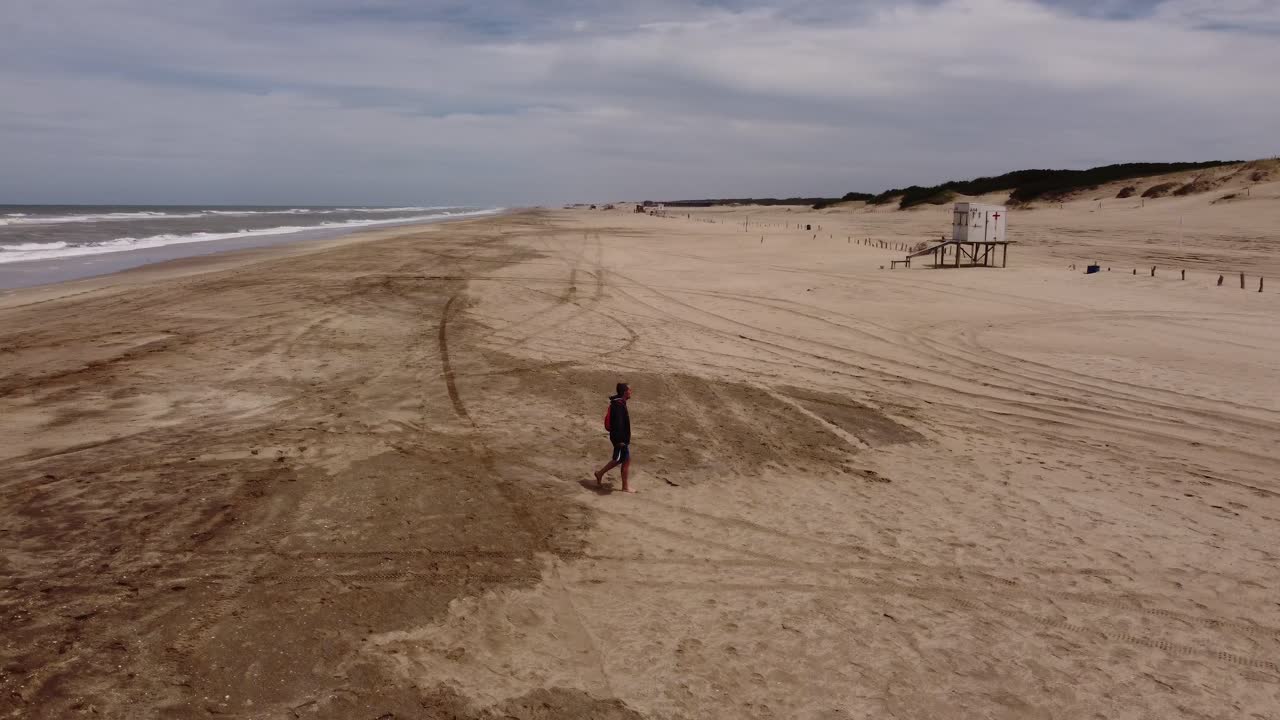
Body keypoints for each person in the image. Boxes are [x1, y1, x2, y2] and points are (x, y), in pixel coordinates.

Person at [594, 382, 634, 493]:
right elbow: (618, 425)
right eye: (630, 390)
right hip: (619, 439)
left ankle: (601, 474)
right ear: (625, 392)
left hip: (620, 437)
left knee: (626, 459)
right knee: (618, 459)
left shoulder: (619, 403)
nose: (631, 392)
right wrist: (620, 441)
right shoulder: (619, 406)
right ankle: (600, 474)